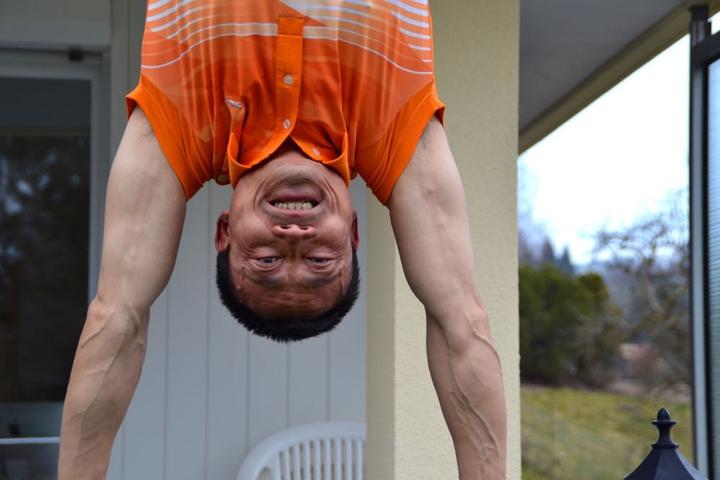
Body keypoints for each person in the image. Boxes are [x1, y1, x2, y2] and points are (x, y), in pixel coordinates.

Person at [58, 0, 507, 478]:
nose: (294, 236)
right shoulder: (393, 127)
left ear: (225, 230)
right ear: (354, 232)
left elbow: (118, 317)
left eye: (267, 259)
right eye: (318, 260)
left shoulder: (184, 121)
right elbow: (461, 321)